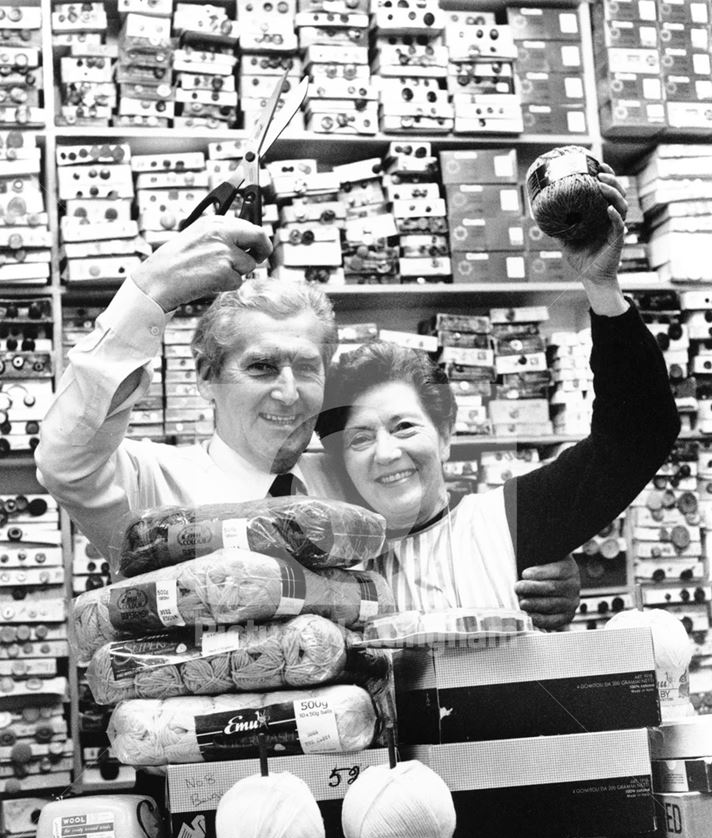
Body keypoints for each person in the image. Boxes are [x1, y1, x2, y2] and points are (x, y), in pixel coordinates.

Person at [36, 218, 578, 629]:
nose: (290, 393)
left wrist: (533, 569)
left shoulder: (352, 481)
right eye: (262, 367)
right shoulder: (149, 486)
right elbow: (65, 461)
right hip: (209, 768)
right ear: (206, 377)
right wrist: (148, 293)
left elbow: (440, 538)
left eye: (307, 368)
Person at [314, 169, 681, 612]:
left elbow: (637, 435)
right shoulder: (324, 571)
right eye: (361, 438)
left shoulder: (511, 520)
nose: (388, 452)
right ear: (341, 464)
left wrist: (601, 285)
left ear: (446, 436)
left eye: (405, 427)